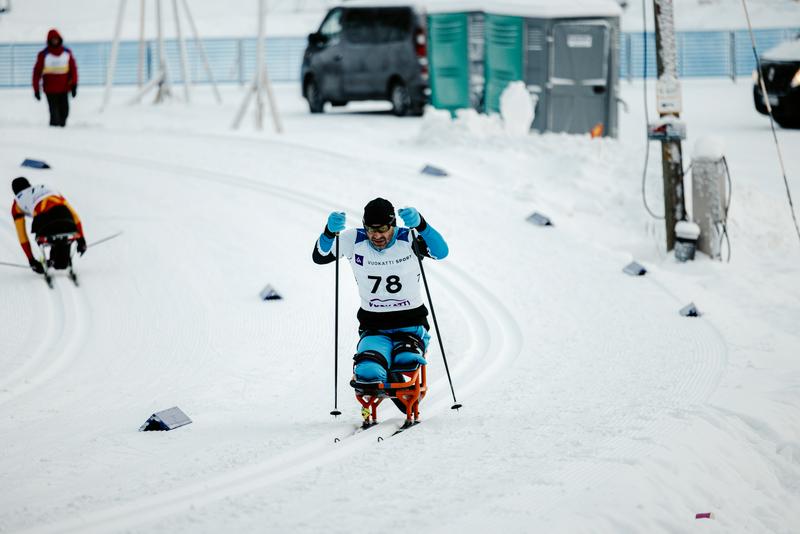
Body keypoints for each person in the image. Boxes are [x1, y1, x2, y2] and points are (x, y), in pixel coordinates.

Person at [312, 198, 448, 389]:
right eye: (370, 229)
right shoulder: (354, 239)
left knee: (406, 361)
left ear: (393, 224)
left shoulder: (408, 238)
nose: (376, 235)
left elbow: (441, 252)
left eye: (382, 229)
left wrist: (421, 224)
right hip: (374, 325)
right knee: (368, 372)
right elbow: (320, 257)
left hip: (411, 323)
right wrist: (328, 231)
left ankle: (400, 379)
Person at [11, 177, 86, 274]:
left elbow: (22, 236)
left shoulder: (17, 203)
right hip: (66, 217)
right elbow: (74, 215)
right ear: (29, 185)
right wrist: (81, 239)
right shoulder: (46, 187)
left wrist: (31, 260)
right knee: (62, 233)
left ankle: (53, 260)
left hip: (44, 222)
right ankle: (60, 258)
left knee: (49, 234)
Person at [32, 29, 78, 127]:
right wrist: (36, 89)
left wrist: (74, 85)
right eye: (52, 39)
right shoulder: (43, 55)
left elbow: (73, 69)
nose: (55, 41)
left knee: (65, 111)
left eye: (56, 39)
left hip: (64, 88)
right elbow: (36, 73)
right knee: (54, 114)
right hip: (50, 90)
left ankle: (62, 132)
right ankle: (53, 134)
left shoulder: (67, 53)